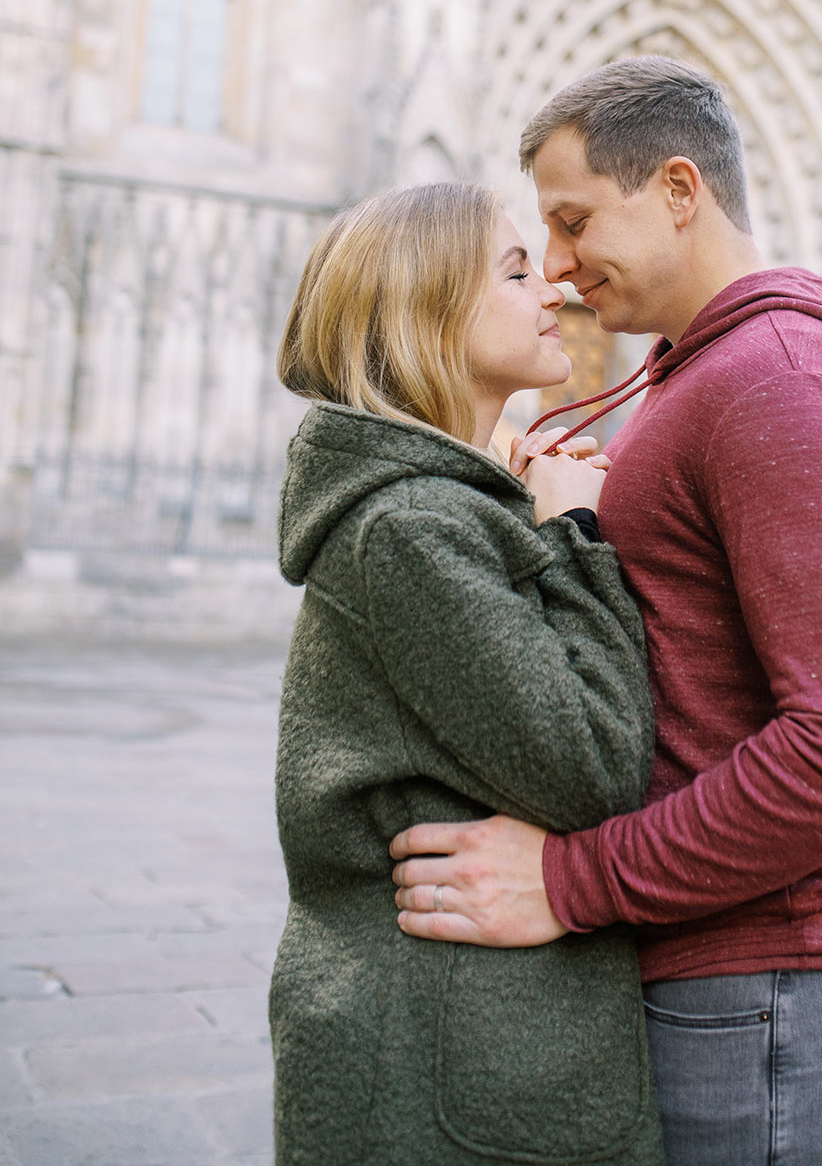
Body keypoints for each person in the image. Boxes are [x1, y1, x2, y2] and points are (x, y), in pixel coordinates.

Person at [390, 58, 822, 1166]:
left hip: (785, 987)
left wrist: (569, 878)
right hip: (736, 982)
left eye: (574, 219)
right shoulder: (690, 380)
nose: (554, 264)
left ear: (680, 191)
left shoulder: (780, 375)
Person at [269, 181, 666, 1166]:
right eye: (517, 269)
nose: (555, 295)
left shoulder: (434, 512)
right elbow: (594, 763)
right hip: (451, 1067)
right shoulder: (408, 528)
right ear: (429, 308)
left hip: (462, 1045)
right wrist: (574, 532)